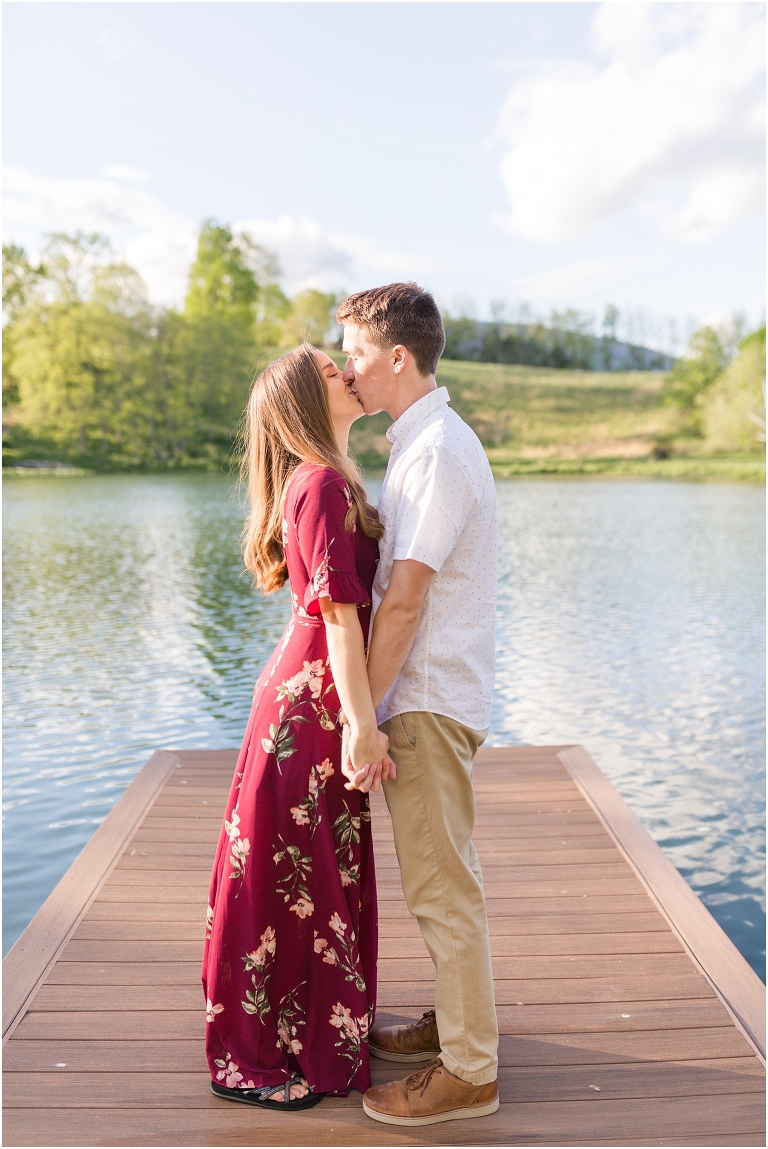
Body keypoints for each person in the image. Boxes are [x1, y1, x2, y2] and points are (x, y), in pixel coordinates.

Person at [202, 343, 394, 1110]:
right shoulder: (316, 485)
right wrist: (364, 725)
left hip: (315, 696)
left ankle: (315, 1030)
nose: (346, 372)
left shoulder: (333, 477)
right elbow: (341, 621)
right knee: (289, 874)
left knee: (311, 871)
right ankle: (247, 1056)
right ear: (307, 404)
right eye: (327, 371)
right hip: (310, 704)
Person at [337, 283, 500, 1127]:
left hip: (429, 698)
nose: (349, 369)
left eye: (357, 354)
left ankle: (470, 1070)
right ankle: (457, 1021)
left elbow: (404, 603)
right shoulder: (420, 443)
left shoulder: (436, 450)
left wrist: (357, 707)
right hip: (431, 694)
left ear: (398, 357)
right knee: (439, 876)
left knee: (441, 887)